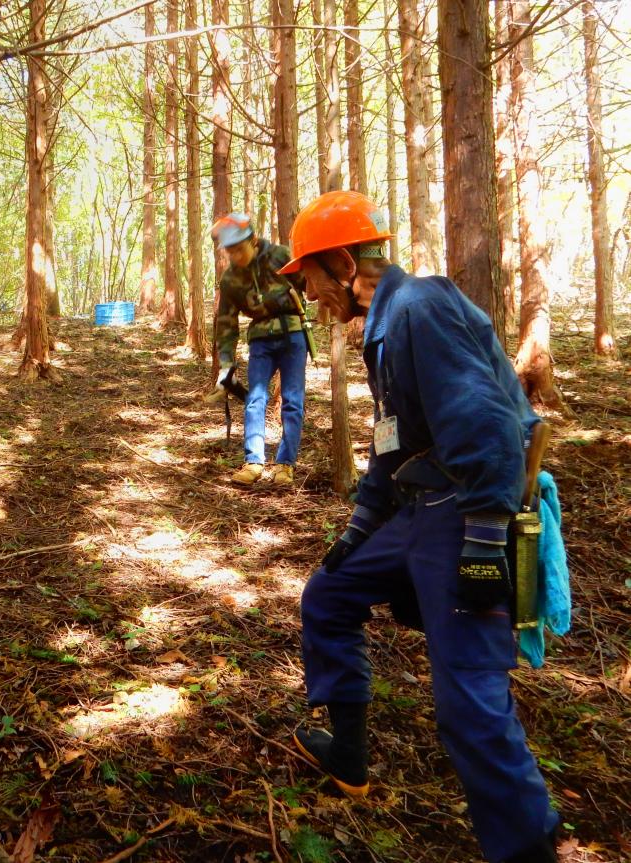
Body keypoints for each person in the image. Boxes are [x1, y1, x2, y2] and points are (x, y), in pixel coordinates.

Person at [281, 191, 559, 863]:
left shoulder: (421, 308)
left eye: (313, 279)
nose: (313, 297)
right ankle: (348, 753)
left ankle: (530, 846)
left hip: (468, 513)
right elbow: (394, 448)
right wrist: (358, 531)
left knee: (468, 702)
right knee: (329, 593)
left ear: (346, 263)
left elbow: (489, 424)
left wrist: (489, 537)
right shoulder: (386, 324)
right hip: (420, 511)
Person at [211, 213, 311, 487]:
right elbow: (227, 323)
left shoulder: (280, 256)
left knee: (292, 401)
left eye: (238, 249)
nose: (235, 256)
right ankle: (253, 461)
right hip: (260, 341)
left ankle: (285, 465)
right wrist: (226, 363)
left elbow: (310, 282)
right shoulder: (230, 279)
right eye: (229, 251)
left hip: (292, 335)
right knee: (255, 399)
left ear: (253, 241)